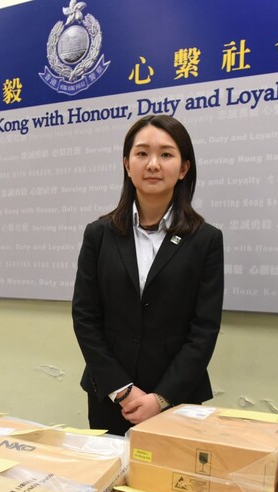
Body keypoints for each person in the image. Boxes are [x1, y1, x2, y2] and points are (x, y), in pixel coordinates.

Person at [72, 115, 225, 436]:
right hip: (111, 397)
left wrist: (161, 398)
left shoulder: (206, 239)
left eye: (166, 154)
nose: (153, 164)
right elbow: (85, 317)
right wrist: (122, 390)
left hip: (178, 399)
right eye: (142, 153)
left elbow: (204, 329)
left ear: (184, 168)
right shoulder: (99, 234)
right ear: (127, 164)